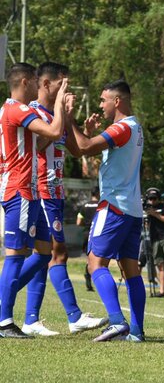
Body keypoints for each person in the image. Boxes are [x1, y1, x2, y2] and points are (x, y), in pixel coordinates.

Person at [19, 62, 107, 336]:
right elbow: (31, 150)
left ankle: (31, 319)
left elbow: (77, 151)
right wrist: (59, 116)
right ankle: (73, 315)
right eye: (62, 85)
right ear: (46, 84)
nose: (66, 90)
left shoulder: (55, 114)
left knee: (45, 255)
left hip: (55, 193)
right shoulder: (33, 113)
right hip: (40, 190)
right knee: (57, 253)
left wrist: (74, 122)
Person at [69, 79, 146, 342]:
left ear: (117, 101)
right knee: (131, 269)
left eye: (103, 100)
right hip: (133, 209)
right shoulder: (134, 127)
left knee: (95, 263)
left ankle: (116, 321)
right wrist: (88, 132)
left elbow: (83, 148)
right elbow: (90, 150)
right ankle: (136, 331)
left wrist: (69, 120)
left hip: (114, 206)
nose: (100, 105)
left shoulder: (121, 128)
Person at [0, 63, 67, 338]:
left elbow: (38, 144)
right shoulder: (19, 108)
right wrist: (61, 103)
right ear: (26, 82)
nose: (39, 86)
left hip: (31, 191)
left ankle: (5, 299)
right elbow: (53, 133)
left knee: (43, 252)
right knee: (15, 255)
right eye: (36, 82)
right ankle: (4, 321)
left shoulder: (7, 110)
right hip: (20, 190)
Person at [77, 187, 100, 291]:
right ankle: (99, 280)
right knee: (99, 259)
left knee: (89, 258)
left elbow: (78, 222)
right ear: (99, 193)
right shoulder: (101, 206)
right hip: (99, 234)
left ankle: (88, 278)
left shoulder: (84, 206)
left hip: (87, 233)